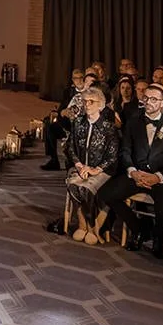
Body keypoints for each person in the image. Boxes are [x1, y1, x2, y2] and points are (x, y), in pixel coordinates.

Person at [97, 83, 163, 257]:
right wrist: (133, 171)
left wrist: (158, 177)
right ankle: (139, 229)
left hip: (160, 178)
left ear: (162, 103)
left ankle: (158, 238)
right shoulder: (133, 122)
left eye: (154, 99)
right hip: (136, 174)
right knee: (106, 193)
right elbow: (125, 151)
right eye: (146, 98)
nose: (149, 102)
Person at [64, 87, 120, 245]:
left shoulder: (108, 127)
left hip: (102, 170)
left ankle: (92, 227)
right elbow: (70, 147)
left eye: (91, 102)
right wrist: (79, 165)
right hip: (81, 167)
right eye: (85, 101)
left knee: (86, 189)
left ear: (100, 105)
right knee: (73, 185)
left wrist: (95, 170)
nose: (87, 105)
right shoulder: (78, 123)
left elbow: (112, 156)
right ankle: (83, 225)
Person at [42, 70, 89, 171]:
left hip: (83, 125)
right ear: (72, 80)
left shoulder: (89, 91)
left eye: (81, 78)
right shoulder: (68, 92)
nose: (79, 80)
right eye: (76, 78)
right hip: (68, 124)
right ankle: (54, 160)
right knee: (50, 127)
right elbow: (61, 110)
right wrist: (63, 112)